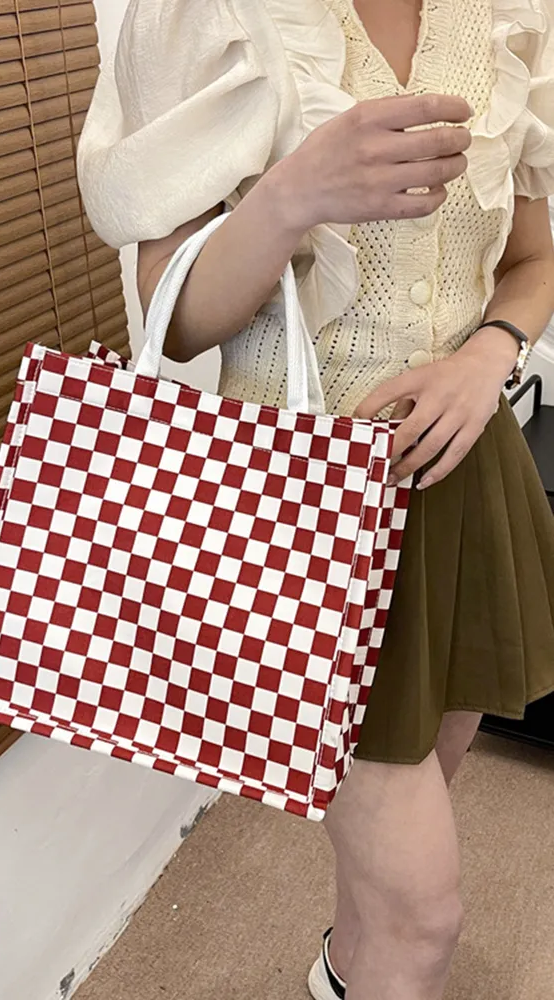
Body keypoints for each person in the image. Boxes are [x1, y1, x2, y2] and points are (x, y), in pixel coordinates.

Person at [78, 1, 554, 997]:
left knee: (410, 828)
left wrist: (486, 355)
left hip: (462, 474)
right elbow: (178, 321)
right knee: (424, 916)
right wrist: (288, 196)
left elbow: (530, 257)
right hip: (299, 517)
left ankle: (344, 963)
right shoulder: (209, 11)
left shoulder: (508, 12)